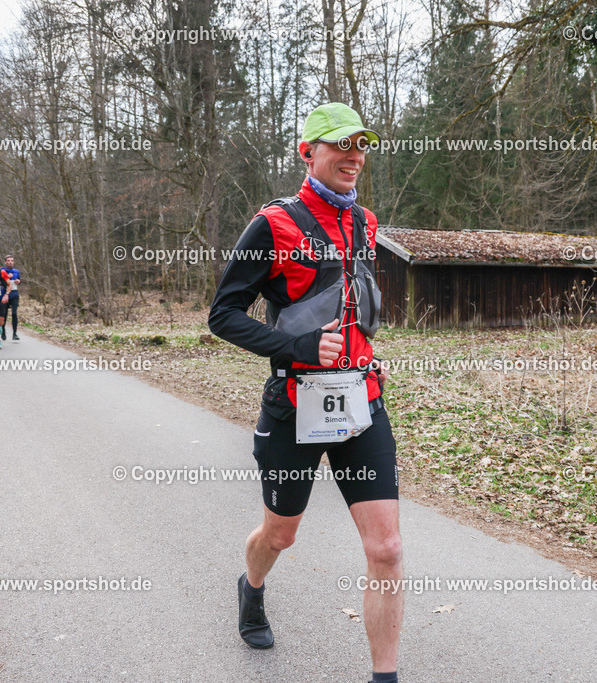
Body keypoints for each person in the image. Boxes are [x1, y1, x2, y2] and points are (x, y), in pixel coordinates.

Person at [209, 103, 401, 683]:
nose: (354, 155)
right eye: (340, 144)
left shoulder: (365, 222)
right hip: (294, 405)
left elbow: (352, 303)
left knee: (387, 549)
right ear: (308, 152)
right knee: (281, 533)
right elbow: (223, 315)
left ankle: (384, 677)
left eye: (361, 144)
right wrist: (293, 350)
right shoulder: (273, 223)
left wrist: (366, 356)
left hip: (360, 401)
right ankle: (252, 587)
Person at [0, 255, 21, 340]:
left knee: (14, 314)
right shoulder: (1, 271)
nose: (10, 262)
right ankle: (3, 331)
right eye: (8, 260)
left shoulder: (16, 271)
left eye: (12, 260)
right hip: (5, 294)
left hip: (14, 294)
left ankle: (15, 334)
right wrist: (7, 277)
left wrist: (19, 281)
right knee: (4, 314)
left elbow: (19, 280)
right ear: (5, 262)